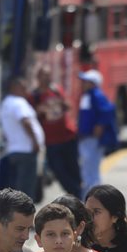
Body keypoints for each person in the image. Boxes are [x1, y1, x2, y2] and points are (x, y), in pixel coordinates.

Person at [30, 66, 84, 198]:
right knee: (59, 171)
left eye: (48, 75)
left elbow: (69, 106)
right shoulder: (34, 96)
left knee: (74, 168)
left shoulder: (56, 90)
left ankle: (79, 196)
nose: (47, 78)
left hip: (68, 137)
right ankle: (77, 193)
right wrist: (40, 110)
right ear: (38, 78)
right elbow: (31, 117)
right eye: (44, 75)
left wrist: (61, 103)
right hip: (51, 142)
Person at [0, 77, 45, 199]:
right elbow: (25, 121)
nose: (26, 91)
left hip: (14, 150)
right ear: (15, 88)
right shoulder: (18, 102)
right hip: (25, 150)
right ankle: (23, 216)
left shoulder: (7, 103)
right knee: (26, 190)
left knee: (17, 187)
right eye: (23, 88)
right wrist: (35, 142)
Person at [77, 70, 119, 193]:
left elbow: (107, 111)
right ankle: (88, 195)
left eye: (86, 81)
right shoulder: (87, 95)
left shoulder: (96, 95)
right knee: (86, 168)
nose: (83, 83)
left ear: (93, 83)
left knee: (91, 168)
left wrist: (99, 126)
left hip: (92, 138)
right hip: (86, 137)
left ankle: (92, 196)